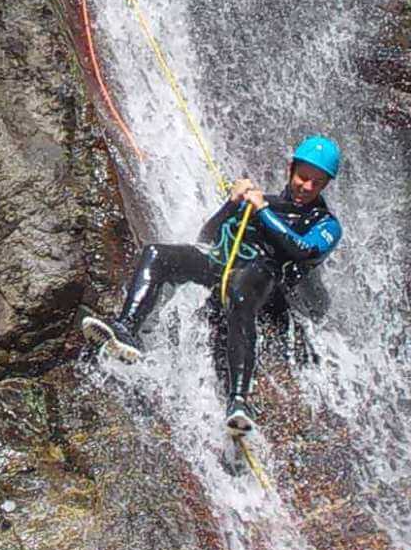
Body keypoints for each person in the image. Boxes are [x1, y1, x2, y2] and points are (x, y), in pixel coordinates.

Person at [81, 135, 343, 434]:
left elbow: (302, 250)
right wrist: (231, 205)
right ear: (291, 170)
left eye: (316, 183)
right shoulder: (262, 203)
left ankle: (239, 399)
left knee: (242, 291)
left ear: (325, 186)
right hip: (229, 268)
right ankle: (127, 329)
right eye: (303, 177)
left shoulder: (325, 224)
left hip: (269, 287)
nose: (306, 187)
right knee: (158, 254)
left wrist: (261, 211)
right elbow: (207, 239)